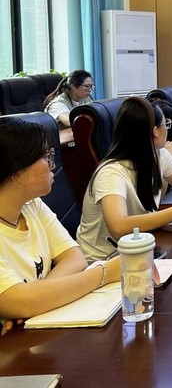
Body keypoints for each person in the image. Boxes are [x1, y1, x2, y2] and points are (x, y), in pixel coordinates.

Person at [0, 117, 121, 334]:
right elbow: (21, 301)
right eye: (45, 157)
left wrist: (37, 300)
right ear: (15, 171)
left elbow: (75, 257)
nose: (53, 165)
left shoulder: (32, 205)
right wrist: (105, 273)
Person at [77, 97, 172, 262]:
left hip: (141, 247)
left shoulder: (159, 154)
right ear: (155, 131)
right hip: (103, 260)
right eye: (166, 124)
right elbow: (119, 227)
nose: (167, 129)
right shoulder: (111, 173)